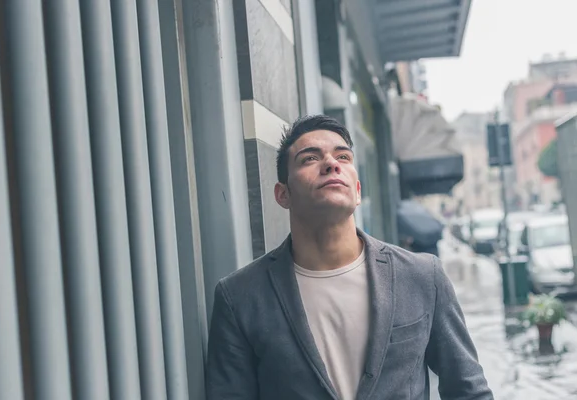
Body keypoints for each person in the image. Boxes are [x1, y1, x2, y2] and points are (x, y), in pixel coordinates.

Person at [206, 115, 493, 399]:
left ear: (357, 191)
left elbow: (469, 391)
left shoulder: (421, 276)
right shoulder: (240, 298)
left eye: (343, 157)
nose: (331, 164)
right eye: (309, 159)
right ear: (283, 195)